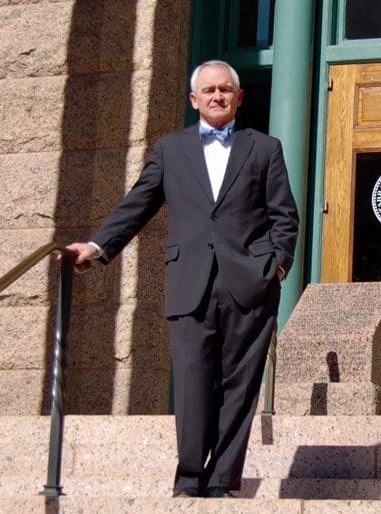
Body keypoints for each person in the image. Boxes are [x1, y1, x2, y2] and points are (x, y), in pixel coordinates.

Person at [64, 60, 299, 498]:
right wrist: (98, 246)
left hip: (249, 284)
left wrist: (276, 268)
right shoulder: (171, 150)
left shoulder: (264, 148)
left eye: (226, 89)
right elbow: (140, 202)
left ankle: (223, 480)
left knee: (239, 386)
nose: (217, 96)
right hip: (189, 282)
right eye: (208, 90)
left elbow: (284, 218)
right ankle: (190, 476)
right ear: (194, 100)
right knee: (192, 382)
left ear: (239, 97)